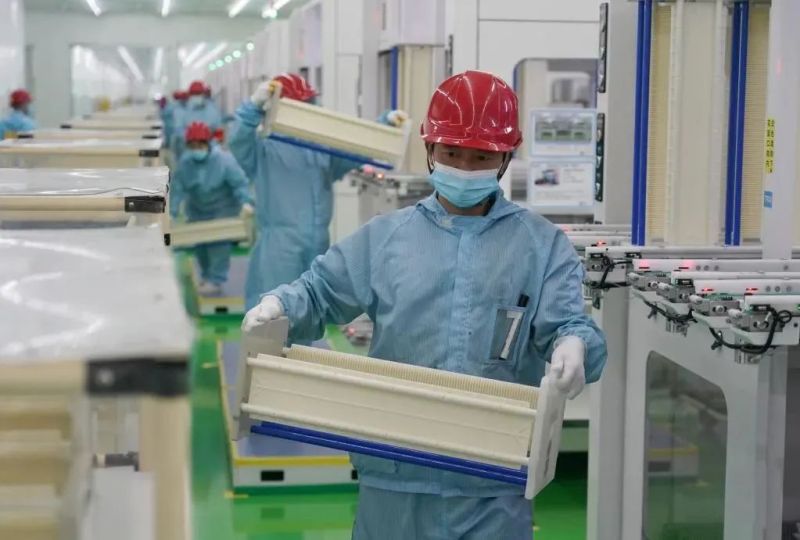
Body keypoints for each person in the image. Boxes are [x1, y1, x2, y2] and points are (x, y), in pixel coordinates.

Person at [242, 70, 607, 539]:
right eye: (452, 152)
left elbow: (570, 327)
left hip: (492, 483)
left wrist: (576, 345)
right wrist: (279, 304)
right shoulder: (388, 237)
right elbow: (319, 292)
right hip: (394, 474)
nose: (465, 166)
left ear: (505, 157)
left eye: (481, 156)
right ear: (430, 148)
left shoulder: (542, 246)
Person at [228, 73, 361, 311]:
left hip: (318, 243)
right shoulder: (264, 148)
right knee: (274, 311)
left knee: (310, 309)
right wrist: (253, 107)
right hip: (280, 246)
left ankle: (304, 339)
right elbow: (238, 140)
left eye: (308, 104)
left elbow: (352, 155)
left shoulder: (320, 145)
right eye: (299, 105)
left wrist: (386, 128)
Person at [170, 121, 254, 296]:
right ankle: (206, 276)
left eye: (200, 145)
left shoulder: (224, 160)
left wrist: (246, 201)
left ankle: (216, 280)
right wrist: (172, 212)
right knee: (201, 245)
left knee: (218, 245)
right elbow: (178, 189)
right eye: (192, 146)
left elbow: (239, 183)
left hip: (222, 209)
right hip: (197, 210)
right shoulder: (186, 163)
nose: (196, 149)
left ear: (207, 143)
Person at [172, 81, 221, 162]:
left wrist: (213, 145)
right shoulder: (184, 111)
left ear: (203, 94)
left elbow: (218, 131)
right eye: (194, 94)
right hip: (188, 150)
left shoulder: (213, 110)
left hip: (210, 151)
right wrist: (192, 140)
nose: (196, 96)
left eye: (198, 93)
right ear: (190, 95)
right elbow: (179, 130)